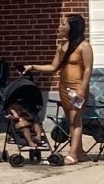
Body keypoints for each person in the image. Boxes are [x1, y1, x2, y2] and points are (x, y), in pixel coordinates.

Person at [29, 12, 94, 154]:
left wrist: (82, 89)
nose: (59, 26)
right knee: (70, 122)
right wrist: (33, 67)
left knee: (75, 120)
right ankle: (79, 152)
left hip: (77, 88)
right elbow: (53, 67)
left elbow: (88, 69)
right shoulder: (62, 47)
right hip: (64, 88)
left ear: (73, 27)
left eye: (63, 24)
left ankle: (72, 155)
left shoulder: (84, 46)